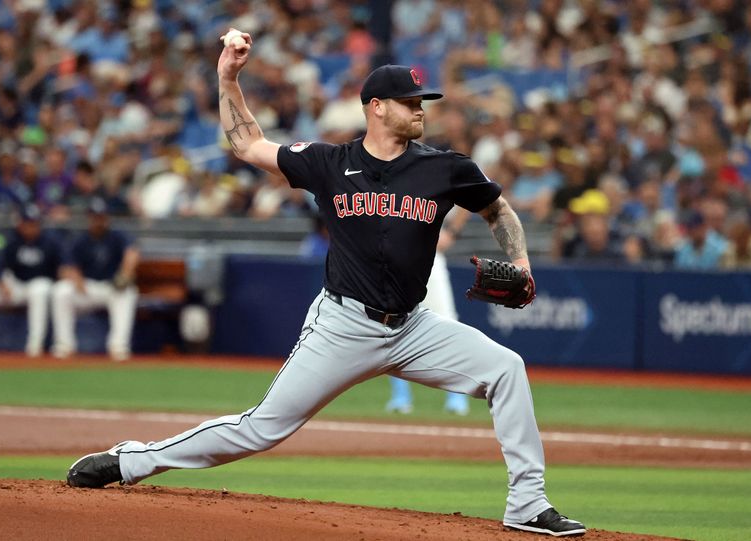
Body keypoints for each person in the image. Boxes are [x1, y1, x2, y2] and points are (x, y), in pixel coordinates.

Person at [66, 34, 586, 538]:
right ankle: (131, 461)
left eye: (421, 100)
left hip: (414, 327)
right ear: (376, 107)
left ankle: (528, 503)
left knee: (506, 369)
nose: (420, 108)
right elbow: (248, 144)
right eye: (409, 101)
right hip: (342, 324)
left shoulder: (445, 168)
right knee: (260, 428)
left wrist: (520, 261)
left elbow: (497, 208)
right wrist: (228, 77)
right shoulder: (330, 163)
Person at [386, 207, 471, 416]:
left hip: (429, 255)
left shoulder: (435, 174)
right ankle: (400, 396)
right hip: (393, 255)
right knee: (392, 325)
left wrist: (451, 232)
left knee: (448, 326)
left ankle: (456, 395)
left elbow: (473, 193)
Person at [51, 197, 139, 361]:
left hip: (111, 287)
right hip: (87, 287)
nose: (98, 220)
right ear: (89, 218)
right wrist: (76, 278)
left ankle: (118, 347)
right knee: (61, 291)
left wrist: (125, 273)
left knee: (128, 293)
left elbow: (132, 253)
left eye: (101, 216)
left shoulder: (117, 236)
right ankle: (64, 345)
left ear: (107, 217)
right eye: (95, 216)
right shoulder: (80, 239)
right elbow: (66, 267)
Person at [0, 204, 63, 357]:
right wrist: (1, 282)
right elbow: (0, 264)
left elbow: (61, 267)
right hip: (16, 285)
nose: (31, 227)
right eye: (27, 223)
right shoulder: (12, 238)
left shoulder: (50, 241)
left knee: (40, 290)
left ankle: (35, 347)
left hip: (38, 284)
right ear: (20, 224)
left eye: (34, 223)